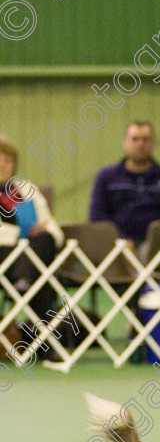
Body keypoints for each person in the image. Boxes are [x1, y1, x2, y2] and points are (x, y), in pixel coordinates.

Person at [89, 121, 160, 256]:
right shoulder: (106, 177)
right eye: (135, 139)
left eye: (146, 139)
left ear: (153, 143)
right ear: (125, 143)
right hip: (116, 247)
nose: (140, 144)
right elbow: (97, 216)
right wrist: (120, 239)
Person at [0, 135, 64, 321]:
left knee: (44, 239)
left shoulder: (27, 189)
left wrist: (45, 229)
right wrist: (21, 234)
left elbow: (54, 229)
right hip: (4, 257)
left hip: (33, 254)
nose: (3, 165)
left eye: (8, 160)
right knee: (41, 277)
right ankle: (45, 343)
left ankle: (25, 279)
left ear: (15, 165)